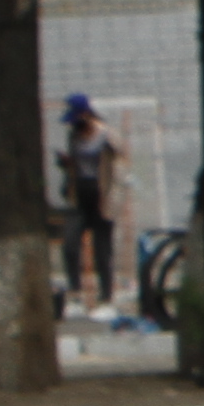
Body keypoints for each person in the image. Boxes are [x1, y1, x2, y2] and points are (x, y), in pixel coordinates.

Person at [57, 96, 122, 315]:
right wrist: (67, 165)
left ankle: (106, 296)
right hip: (79, 194)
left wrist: (114, 194)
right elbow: (76, 164)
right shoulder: (74, 136)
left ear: (86, 114)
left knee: (102, 250)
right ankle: (75, 291)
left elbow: (120, 163)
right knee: (70, 243)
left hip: (101, 194)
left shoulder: (106, 136)